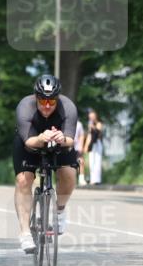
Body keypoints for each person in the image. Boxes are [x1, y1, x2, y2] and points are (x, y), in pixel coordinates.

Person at [13, 74, 79, 254]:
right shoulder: (25, 107)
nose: (47, 106)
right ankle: (25, 232)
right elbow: (28, 142)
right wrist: (41, 138)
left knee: (69, 174)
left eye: (52, 101)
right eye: (43, 101)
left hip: (59, 142)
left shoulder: (68, 107)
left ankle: (60, 211)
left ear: (58, 98)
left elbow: (71, 139)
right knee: (23, 180)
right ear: (36, 97)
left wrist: (62, 138)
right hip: (30, 143)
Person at [86, 108, 105, 184]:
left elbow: (97, 132)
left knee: (97, 161)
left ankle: (97, 180)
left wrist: (93, 127)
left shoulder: (99, 123)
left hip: (97, 143)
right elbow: (89, 135)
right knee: (91, 161)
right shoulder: (90, 124)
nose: (91, 118)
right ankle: (92, 179)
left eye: (92, 116)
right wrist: (87, 145)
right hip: (91, 143)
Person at [74, 117, 87, 186]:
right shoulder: (66, 122)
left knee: (81, 162)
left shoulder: (79, 124)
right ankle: (72, 180)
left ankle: (81, 179)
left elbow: (81, 135)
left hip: (77, 147)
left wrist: (81, 146)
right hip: (67, 146)